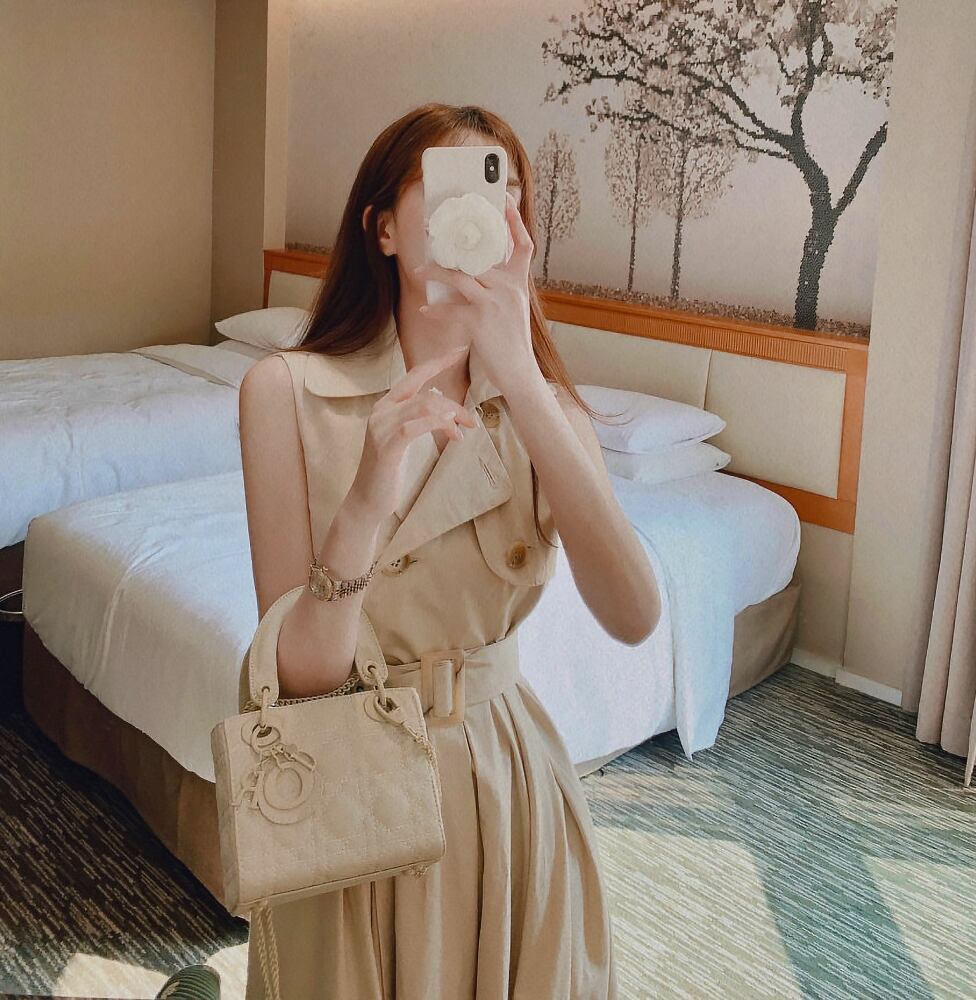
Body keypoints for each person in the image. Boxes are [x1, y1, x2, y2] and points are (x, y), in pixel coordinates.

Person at [237, 102, 661, 999]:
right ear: (384, 229)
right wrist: (366, 500)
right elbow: (301, 675)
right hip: (352, 779)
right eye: (443, 191)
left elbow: (633, 616)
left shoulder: (546, 413)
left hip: (502, 776)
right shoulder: (282, 393)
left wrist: (523, 380)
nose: (470, 218)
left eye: (496, 196)